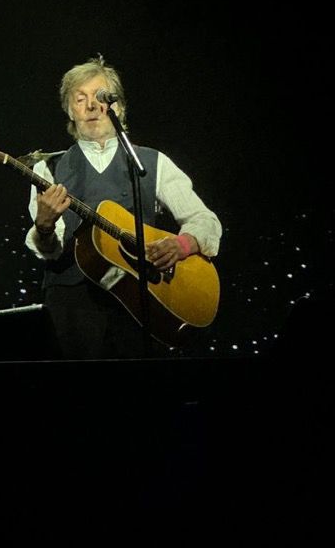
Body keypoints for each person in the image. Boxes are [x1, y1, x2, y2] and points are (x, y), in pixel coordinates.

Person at [25, 55, 222, 359]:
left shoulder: (151, 162)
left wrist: (182, 245)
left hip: (142, 302)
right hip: (73, 308)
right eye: (80, 99)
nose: (92, 106)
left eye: (101, 97)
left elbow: (205, 220)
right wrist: (44, 226)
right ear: (69, 110)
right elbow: (49, 250)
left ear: (118, 106)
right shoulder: (48, 168)